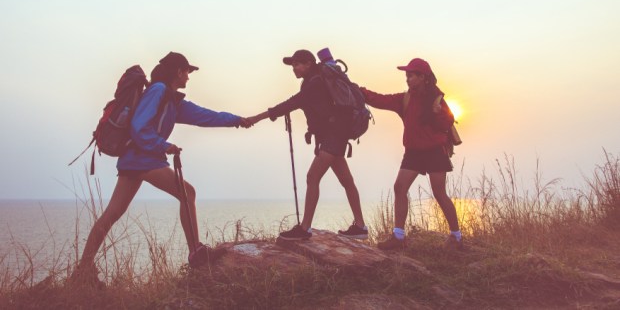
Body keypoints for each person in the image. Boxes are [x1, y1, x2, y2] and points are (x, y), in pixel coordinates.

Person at [73, 52, 251, 285]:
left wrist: (236, 120)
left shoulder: (172, 100)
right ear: (178, 71)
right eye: (187, 71)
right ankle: (196, 254)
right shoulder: (158, 91)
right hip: (142, 158)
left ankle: (83, 268)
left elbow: (205, 116)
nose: (189, 76)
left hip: (134, 159)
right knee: (187, 193)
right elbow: (139, 126)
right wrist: (163, 145)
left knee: (112, 213)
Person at [248, 49, 368, 240]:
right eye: (293, 65)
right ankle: (360, 227)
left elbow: (291, 103)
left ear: (309, 64)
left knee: (313, 177)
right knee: (346, 181)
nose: (294, 68)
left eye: (297, 64)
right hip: (334, 134)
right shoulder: (313, 82)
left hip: (333, 136)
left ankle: (305, 229)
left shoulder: (315, 84)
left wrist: (256, 118)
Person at [361, 58, 463, 250]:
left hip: (435, 151)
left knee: (440, 194)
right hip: (413, 152)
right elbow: (381, 100)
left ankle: (456, 237)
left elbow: (446, 124)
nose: (407, 79)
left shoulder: (438, 99)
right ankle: (398, 237)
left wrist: (437, 112)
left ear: (423, 77)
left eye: (411, 75)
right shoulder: (405, 99)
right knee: (399, 188)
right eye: (406, 76)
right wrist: (361, 92)